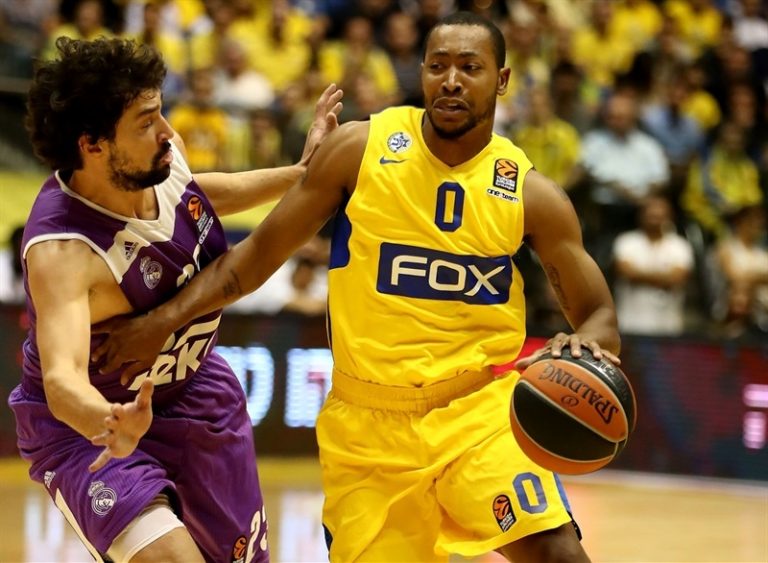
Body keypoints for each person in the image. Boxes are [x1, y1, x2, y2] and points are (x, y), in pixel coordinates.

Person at [94, 12, 621, 562]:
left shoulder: (532, 194)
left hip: (479, 411)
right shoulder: (360, 149)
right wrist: (159, 323)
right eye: (438, 66)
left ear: (502, 80)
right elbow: (252, 260)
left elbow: (600, 316)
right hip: (368, 425)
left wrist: (583, 343)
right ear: (421, 73)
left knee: (559, 554)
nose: (451, 81)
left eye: (470, 67)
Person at [7, 36, 342, 562]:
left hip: (196, 393)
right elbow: (61, 379)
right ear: (92, 145)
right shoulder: (64, 251)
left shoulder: (158, 159)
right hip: (96, 430)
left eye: (159, 112)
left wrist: (299, 174)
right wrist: (108, 422)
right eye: (145, 122)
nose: (166, 131)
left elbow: (198, 194)